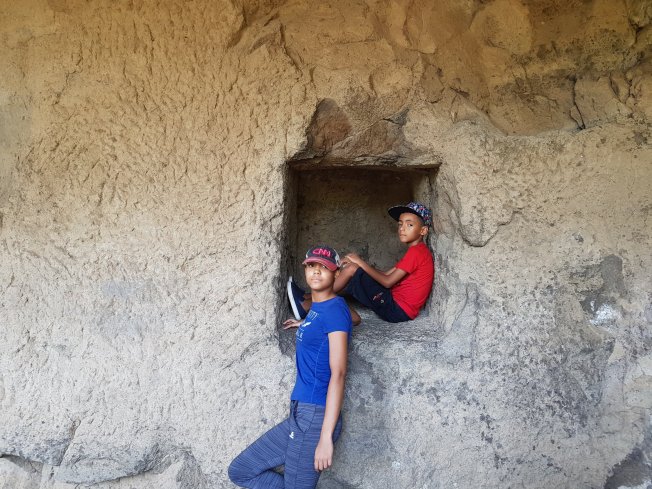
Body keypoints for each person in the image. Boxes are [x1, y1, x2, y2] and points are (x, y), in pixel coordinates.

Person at [229, 245, 353, 489]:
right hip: (301, 413)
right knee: (241, 470)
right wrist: (306, 324)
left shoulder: (335, 312)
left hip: (316, 416)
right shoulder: (322, 307)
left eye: (324, 267)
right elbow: (352, 319)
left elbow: (338, 374)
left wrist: (325, 437)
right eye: (311, 266)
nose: (316, 272)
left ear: (337, 273)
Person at [288, 202, 434, 324]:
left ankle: (306, 305)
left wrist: (358, 263)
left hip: (396, 310)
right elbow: (385, 274)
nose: (402, 229)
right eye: (400, 224)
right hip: (395, 305)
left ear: (423, 230)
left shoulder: (417, 253)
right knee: (352, 270)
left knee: (352, 269)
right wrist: (359, 265)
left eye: (409, 225)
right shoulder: (417, 251)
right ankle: (307, 297)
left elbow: (388, 282)